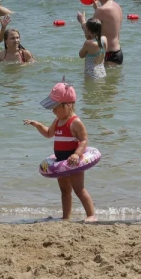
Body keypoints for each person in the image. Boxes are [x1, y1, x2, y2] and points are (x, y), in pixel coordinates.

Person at [24, 81, 97, 221]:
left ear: (67, 105)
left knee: (79, 189)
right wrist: (37, 125)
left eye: (55, 107)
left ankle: (91, 215)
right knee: (64, 191)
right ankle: (66, 217)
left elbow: (84, 140)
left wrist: (76, 154)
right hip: (60, 162)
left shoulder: (75, 122)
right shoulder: (57, 121)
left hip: (73, 162)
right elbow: (48, 134)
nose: (53, 110)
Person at [88, 0, 124, 66]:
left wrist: (81, 21)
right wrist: (97, 9)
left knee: (101, 80)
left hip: (109, 55)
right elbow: (109, 24)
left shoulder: (101, 10)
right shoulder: (117, 6)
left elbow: (89, 34)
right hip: (118, 53)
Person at [77, 15, 107, 79]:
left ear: (87, 29)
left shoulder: (88, 43)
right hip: (102, 72)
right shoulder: (104, 39)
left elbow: (81, 55)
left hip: (92, 74)